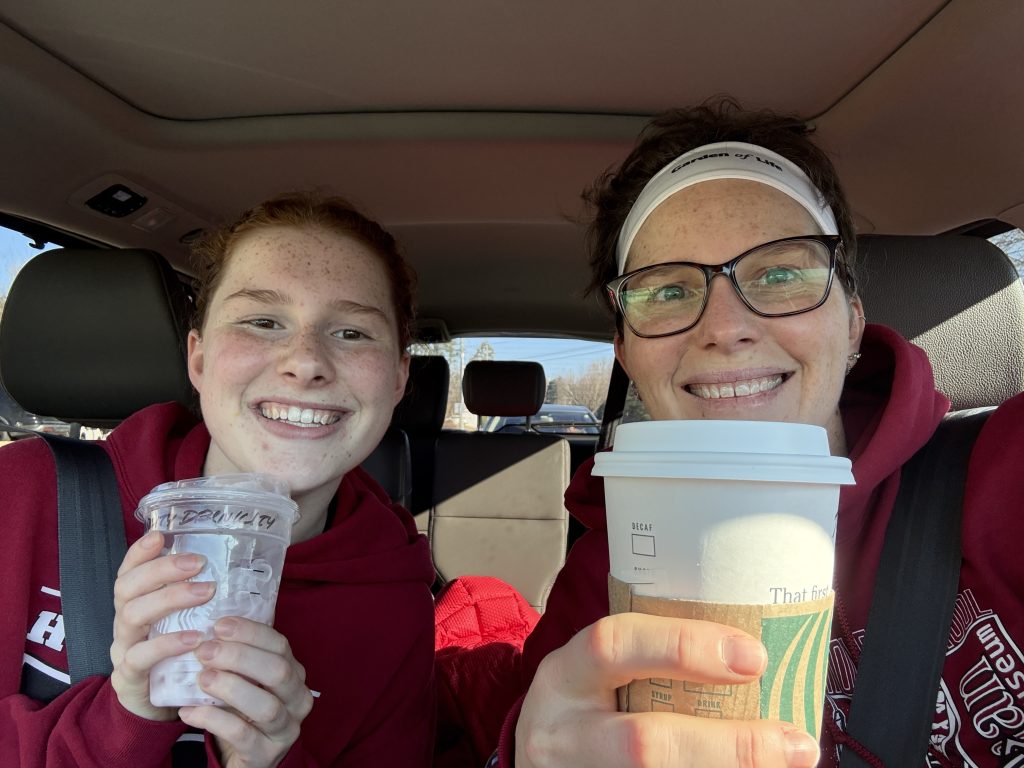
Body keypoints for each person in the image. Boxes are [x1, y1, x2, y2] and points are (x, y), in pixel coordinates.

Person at [470, 100, 1024, 767]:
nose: (724, 327)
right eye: (667, 291)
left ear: (850, 322)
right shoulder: (606, 575)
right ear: (626, 354)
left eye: (781, 273)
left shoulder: (1003, 477)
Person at [2, 192, 437, 767]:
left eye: (352, 333)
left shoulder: (398, 603)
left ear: (400, 379)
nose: (304, 361)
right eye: (262, 321)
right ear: (199, 359)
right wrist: (123, 718)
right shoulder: (22, 492)